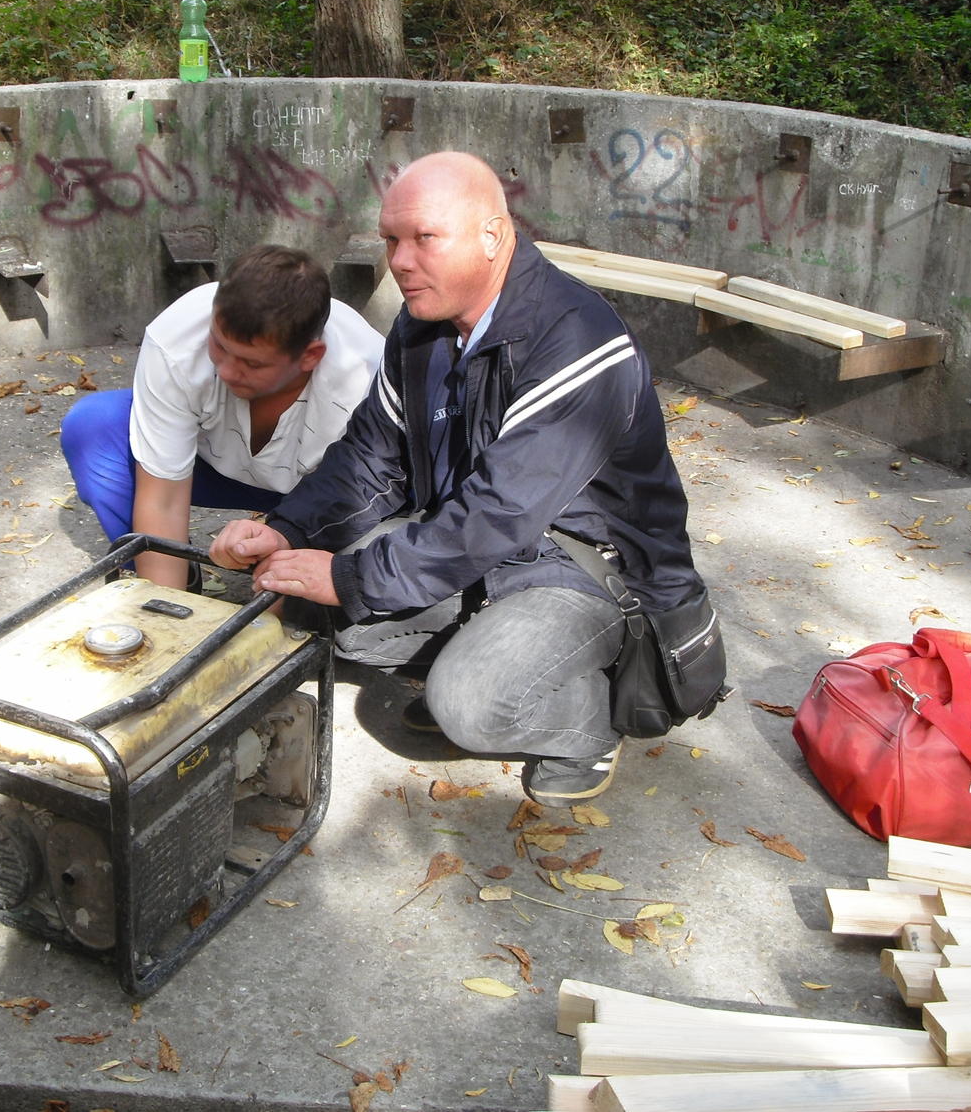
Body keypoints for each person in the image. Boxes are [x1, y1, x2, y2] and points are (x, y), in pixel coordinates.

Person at [209, 152, 705, 806]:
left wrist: (352, 576)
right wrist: (286, 530)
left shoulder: (577, 339)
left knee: (467, 701)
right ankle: (493, 660)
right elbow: (370, 457)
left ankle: (586, 721)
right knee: (315, 603)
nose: (401, 261)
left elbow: (498, 513)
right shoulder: (423, 328)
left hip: (588, 574)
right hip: (487, 554)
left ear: (492, 235)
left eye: (424, 237)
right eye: (391, 239)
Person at [61, 244, 383, 589]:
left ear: (310, 356)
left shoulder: (364, 376)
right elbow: (162, 499)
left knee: (331, 596)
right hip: (215, 471)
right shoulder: (180, 336)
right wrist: (167, 606)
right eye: (219, 346)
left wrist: (278, 604)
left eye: (252, 363)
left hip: (324, 495)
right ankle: (184, 573)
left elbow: (354, 500)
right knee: (94, 428)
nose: (227, 371)